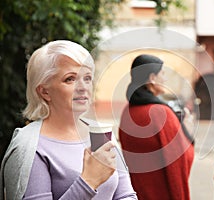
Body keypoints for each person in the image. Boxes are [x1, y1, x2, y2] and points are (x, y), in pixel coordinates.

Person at [0, 40, 137, 200]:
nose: (83, 87)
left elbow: (126, 195)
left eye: (87, 78)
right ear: (44, 92)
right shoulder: (30, 147)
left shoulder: (99, 132)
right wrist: (88, 181)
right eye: (70, 79)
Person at [118, 54, 194, 200]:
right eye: (163, 74)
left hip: (135, 192)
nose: (165, 79)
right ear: (152, 78)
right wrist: (187, 132)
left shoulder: (127, 111)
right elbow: (181, 160)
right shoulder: (160, 113)